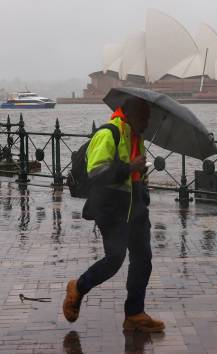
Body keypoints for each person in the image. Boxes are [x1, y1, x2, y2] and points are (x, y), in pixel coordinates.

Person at [63, 97, 165, 333]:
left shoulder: (136, 138)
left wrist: (140, 183)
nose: (147, 122)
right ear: (130, 115)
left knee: (143, 260)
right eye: (144, 117)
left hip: (136, 206)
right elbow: (96, 172)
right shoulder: (108, 134)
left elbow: (135, 176)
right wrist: (130, 167)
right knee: (114, 260)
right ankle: (78, 287)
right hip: (111, 208)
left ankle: (135, 314)